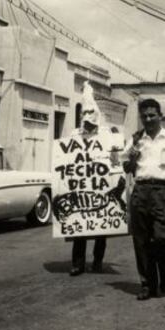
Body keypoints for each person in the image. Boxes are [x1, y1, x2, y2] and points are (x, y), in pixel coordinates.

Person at [123, 98, 165, 300]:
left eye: (152, 115)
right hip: (141, 190)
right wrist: (133, 156)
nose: (148, 119)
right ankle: (147, 284)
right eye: (144, 116)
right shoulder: (136, 140)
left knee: (163, 237)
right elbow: (126, 168)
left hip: (164, 191)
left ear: (160, 116)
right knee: (141, 240)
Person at [69, 82, 107, 276]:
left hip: (100, 187)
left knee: (101, 225)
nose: (87, 118)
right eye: (84, 113)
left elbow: (114, 160)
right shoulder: (74, 135)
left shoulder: (106, 136)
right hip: (81, 186)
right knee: (80, 225)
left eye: (90, 113)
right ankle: (78, 263)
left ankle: (98, 261)